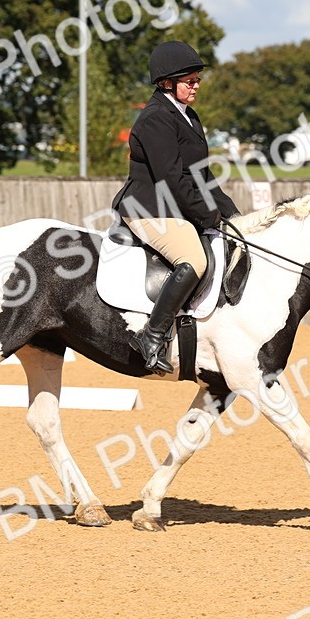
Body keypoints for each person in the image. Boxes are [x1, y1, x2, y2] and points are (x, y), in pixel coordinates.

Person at [111, 41, 241, 374]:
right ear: (166, 82)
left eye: (198, 79)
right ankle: (151, 337)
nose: (196, 85)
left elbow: (203, 175)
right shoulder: (156, 118)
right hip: (148, 208)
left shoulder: (188, 115)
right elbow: (171, 178)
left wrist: (232, 213)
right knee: (194, 259)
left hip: (175, 207)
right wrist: (206, 214)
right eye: (190, 80)